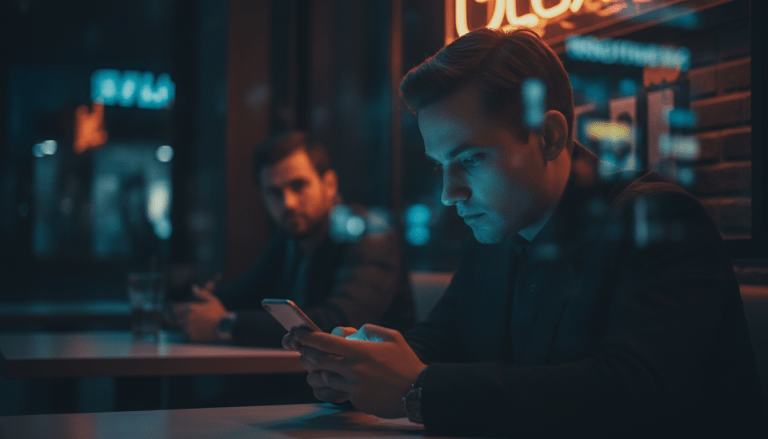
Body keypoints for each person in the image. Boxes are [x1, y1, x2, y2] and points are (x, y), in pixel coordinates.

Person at [283, 28, 767, 437]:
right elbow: (440, 342)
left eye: (470, 159)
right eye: (440, 166)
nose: (450, 194)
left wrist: (417, 391)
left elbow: (636, 393)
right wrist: (358, 368)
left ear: (550, 136)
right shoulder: (493, 234)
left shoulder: (657, 220)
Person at [172, 131, 415, 347]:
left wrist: (223, 324)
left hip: (371, 393)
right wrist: (196, 308)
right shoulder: (290, 239)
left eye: (298, 186)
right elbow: (238, 296)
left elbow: (339, 325)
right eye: (274, 192)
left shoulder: (369, 235)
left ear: (329, 185)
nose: (287, 203)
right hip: (315, 382)